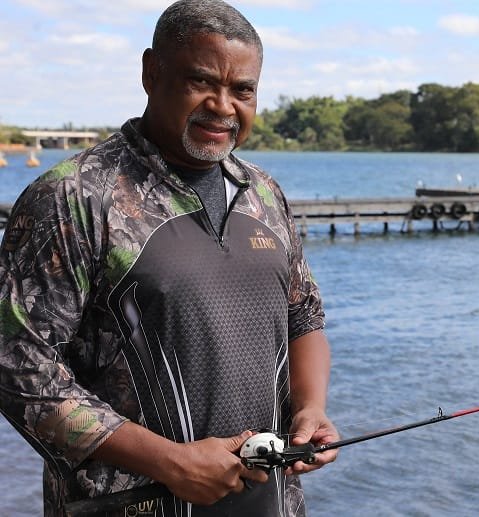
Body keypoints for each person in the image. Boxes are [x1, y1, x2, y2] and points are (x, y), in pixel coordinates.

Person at [0, 1, 338, 515]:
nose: (223, 106)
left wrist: (311, 410)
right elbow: (15, 364)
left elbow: (303, 317)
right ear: (151, 73)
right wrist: (168, 461)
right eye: (200, 82)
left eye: (242, 90)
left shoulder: (264, 194)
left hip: (272, 503)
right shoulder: (75, 196)